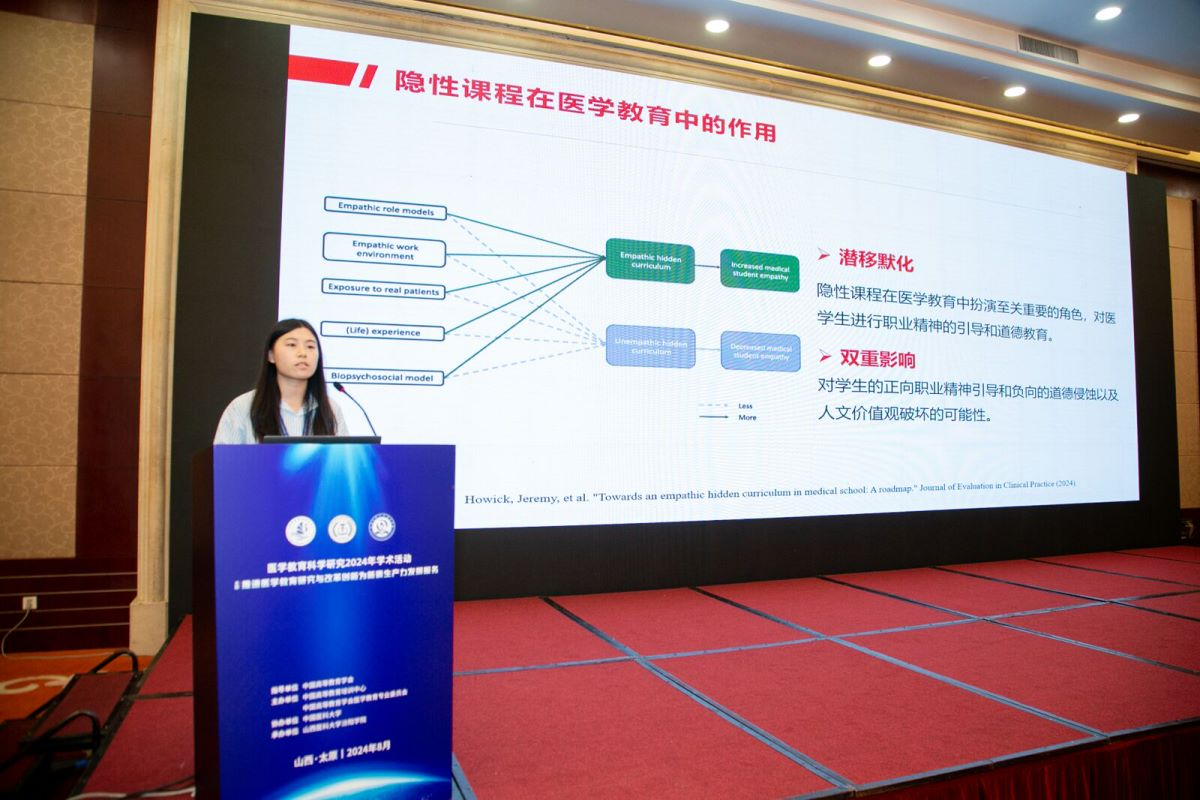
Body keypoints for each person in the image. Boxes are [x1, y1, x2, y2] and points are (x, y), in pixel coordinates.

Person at [213, 318, 348, 443]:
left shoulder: (331, 410)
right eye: (292, 344)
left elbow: (344, 459)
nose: (303, 353)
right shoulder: (243, 407)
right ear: (271, 355)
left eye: (310, 346)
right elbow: (222, 459)